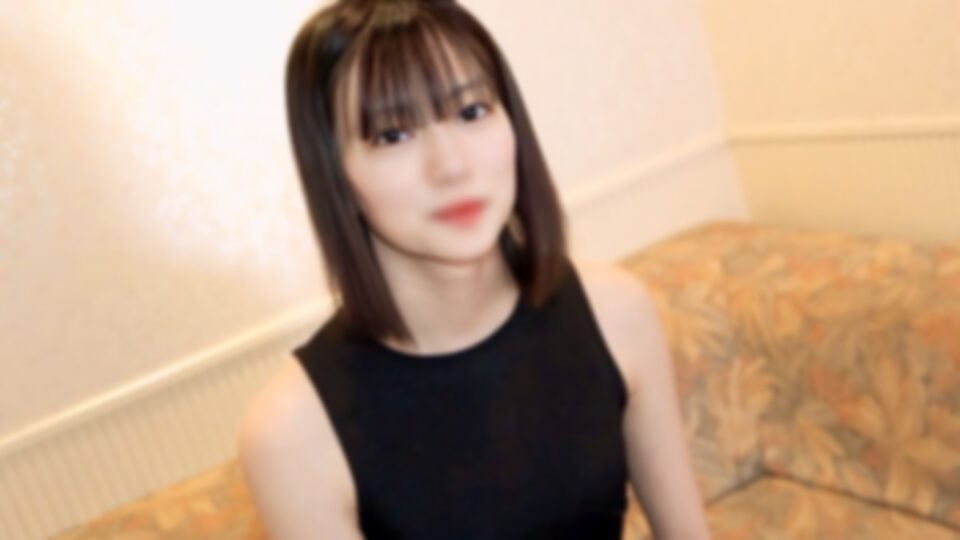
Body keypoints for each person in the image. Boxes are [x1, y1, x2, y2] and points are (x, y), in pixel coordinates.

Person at [237, 0, 711, 538]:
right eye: (392, 135)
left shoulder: (616, 311)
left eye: (471, 112)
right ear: (334, 175)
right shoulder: (292, 434)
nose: (452, 166)